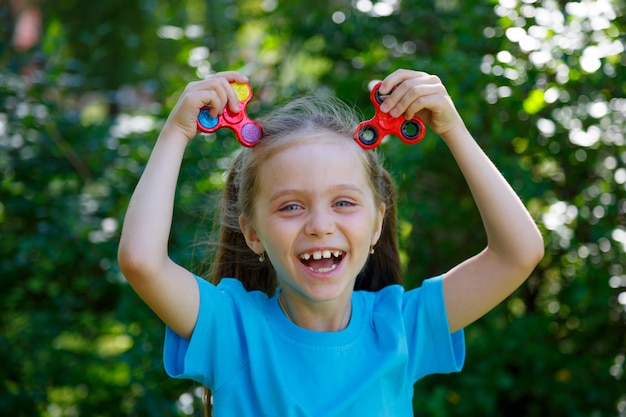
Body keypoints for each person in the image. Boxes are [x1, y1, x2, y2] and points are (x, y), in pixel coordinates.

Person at [117, 69, 544, 416]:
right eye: (290, 207)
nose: (320, 225)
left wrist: (453, 129)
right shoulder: (234, 332)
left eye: (343, 202)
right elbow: (141, 260)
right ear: (252, 233)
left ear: (378, 223)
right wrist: (175, 131)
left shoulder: (398, 327)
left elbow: (518, 253)